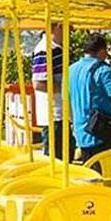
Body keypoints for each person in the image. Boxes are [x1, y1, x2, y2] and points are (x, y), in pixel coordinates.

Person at [68, 34, 111, 161]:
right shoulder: (103, 70)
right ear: (102, 51)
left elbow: (68, 99)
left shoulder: (71, 70)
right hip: (103, 133)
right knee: (107, 175)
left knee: (90, 175)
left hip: (81, 131)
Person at [31, 23, 71, 160]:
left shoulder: (57, 49)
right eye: (68, 27)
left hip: (62, 114)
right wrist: (66, 88)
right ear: (59, 26)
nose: (71, 31)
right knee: (56, 159)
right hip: (54, 114)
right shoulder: (45, 49)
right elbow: (38, 84)